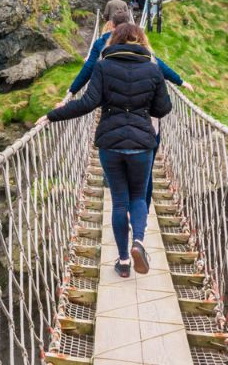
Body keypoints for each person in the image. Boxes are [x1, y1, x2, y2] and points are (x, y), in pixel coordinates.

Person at [37, 23, 172, 277]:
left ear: (114, 41)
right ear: (140, 41)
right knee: (139, 197)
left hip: (110, 144)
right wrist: (144, 111)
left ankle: (123, 262)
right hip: (142, 144)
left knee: (119, 202)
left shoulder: (102, 66)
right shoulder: (153, 70)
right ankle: (139, 243)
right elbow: (163, 108)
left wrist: (52, 115)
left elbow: (88, 103)